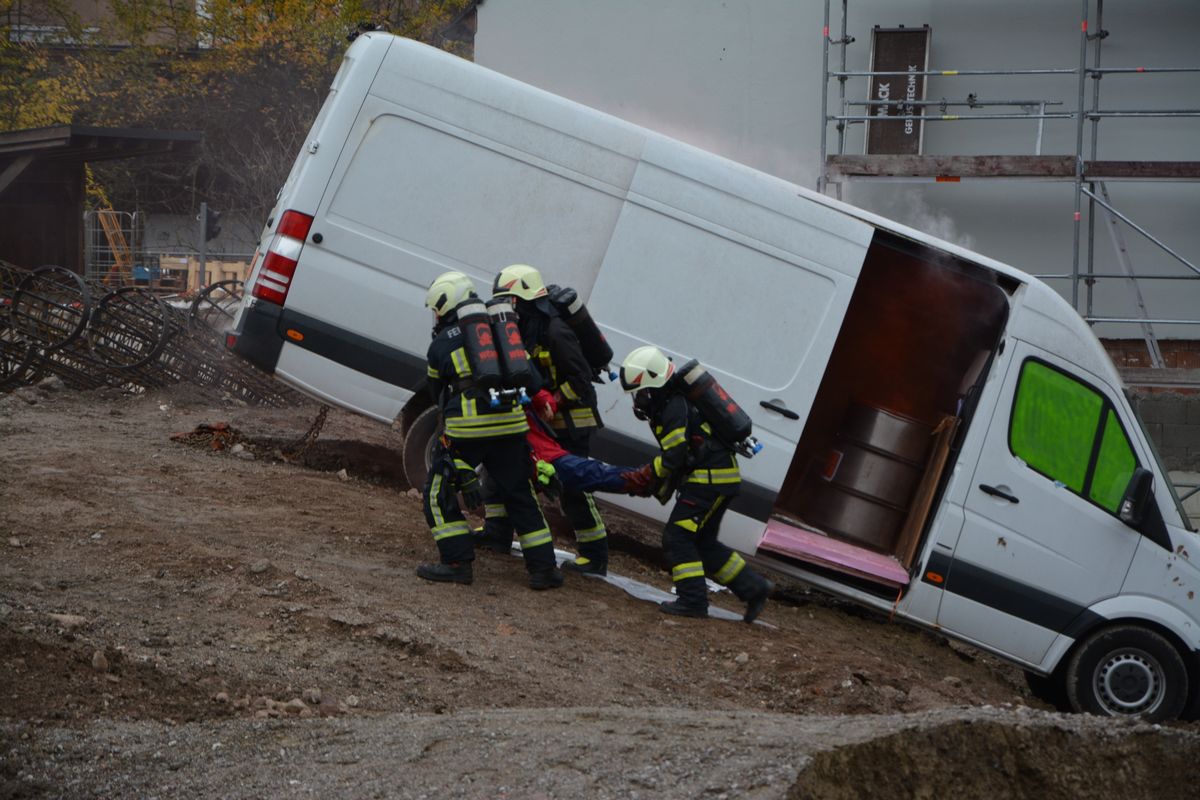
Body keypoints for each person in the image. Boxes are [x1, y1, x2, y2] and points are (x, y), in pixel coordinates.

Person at [415, 270, 563, 590]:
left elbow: (435, 388)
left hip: (468, 429)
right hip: (511, 425)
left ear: (445, 305)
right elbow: (533, 379)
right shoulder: (504, 330)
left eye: (436, 310)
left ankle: (456, 562)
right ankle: (545, 569)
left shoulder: (442, 342)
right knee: (519, 493)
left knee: (438, 491)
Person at [618, 345, 773, 622]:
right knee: (702, 541)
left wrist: (646, 475)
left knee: (677, 537)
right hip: (718, 480)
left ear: (654, 384)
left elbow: (675, 453)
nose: (638, 402)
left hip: (708, 483)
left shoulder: (672, 407)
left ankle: (692, 600)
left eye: (640, 393)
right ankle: (754, 588)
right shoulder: (673, 402)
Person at [483, 264, 611, 575]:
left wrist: (553, 399)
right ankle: (496, 534)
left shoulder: (555, 330)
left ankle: (594, 556)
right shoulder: (525, 327)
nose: (506, 307)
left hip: (571, 421)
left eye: (509, 300)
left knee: (573, 487)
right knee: (503, 470)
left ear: (524, 298)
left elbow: (579, 379)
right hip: (541, 420)